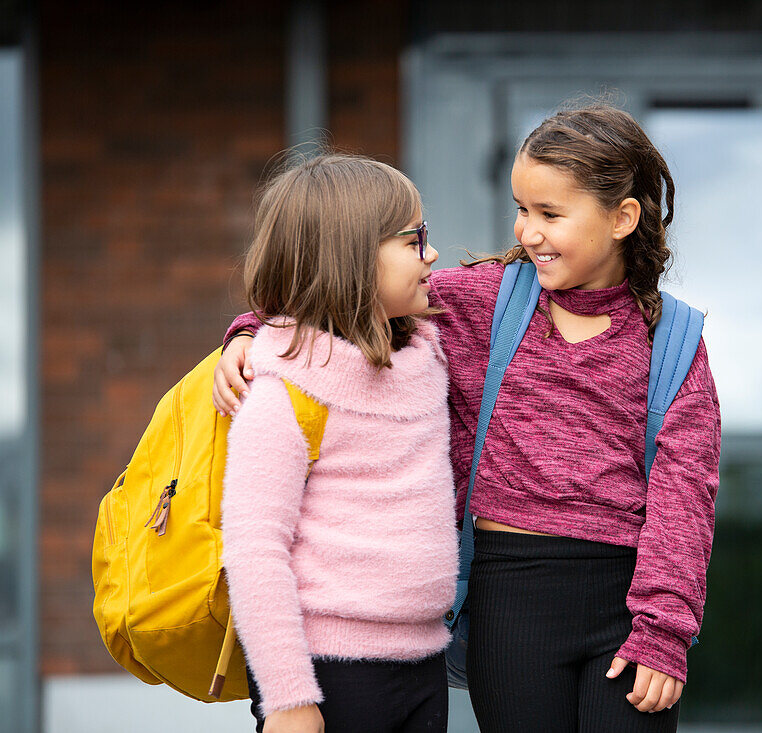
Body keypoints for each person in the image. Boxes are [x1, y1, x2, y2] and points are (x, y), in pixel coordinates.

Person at [216, 105, 721, 732]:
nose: (528, 231)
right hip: (507, 597)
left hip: (627, 604)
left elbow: (684, 495)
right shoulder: (487, 302)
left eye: (550, 214)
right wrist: (251, 331)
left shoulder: (672, 340)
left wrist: (664, 628)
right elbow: (350, 296)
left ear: (622, 218)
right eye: (522, 210)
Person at [219, 154, 457, 733]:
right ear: (350, 256)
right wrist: (287, 697)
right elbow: (253, 551)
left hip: (425, 664)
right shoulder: (285, 393)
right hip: (328, 672)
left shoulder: (429, 353)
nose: (431, 255)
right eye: (413, 238)